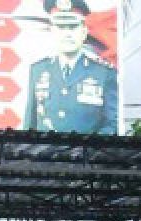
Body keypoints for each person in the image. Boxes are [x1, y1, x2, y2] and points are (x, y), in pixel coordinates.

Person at [22, 0, 118, 134]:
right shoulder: (37, 71)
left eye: (73, 27)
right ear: (53, 31)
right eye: (61, 27)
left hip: (86, 153)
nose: (67, 34)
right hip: (45, 153)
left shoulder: (104, 74)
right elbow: (29, 125)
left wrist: (87, 148)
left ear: (84, 32)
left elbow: (112, 125)